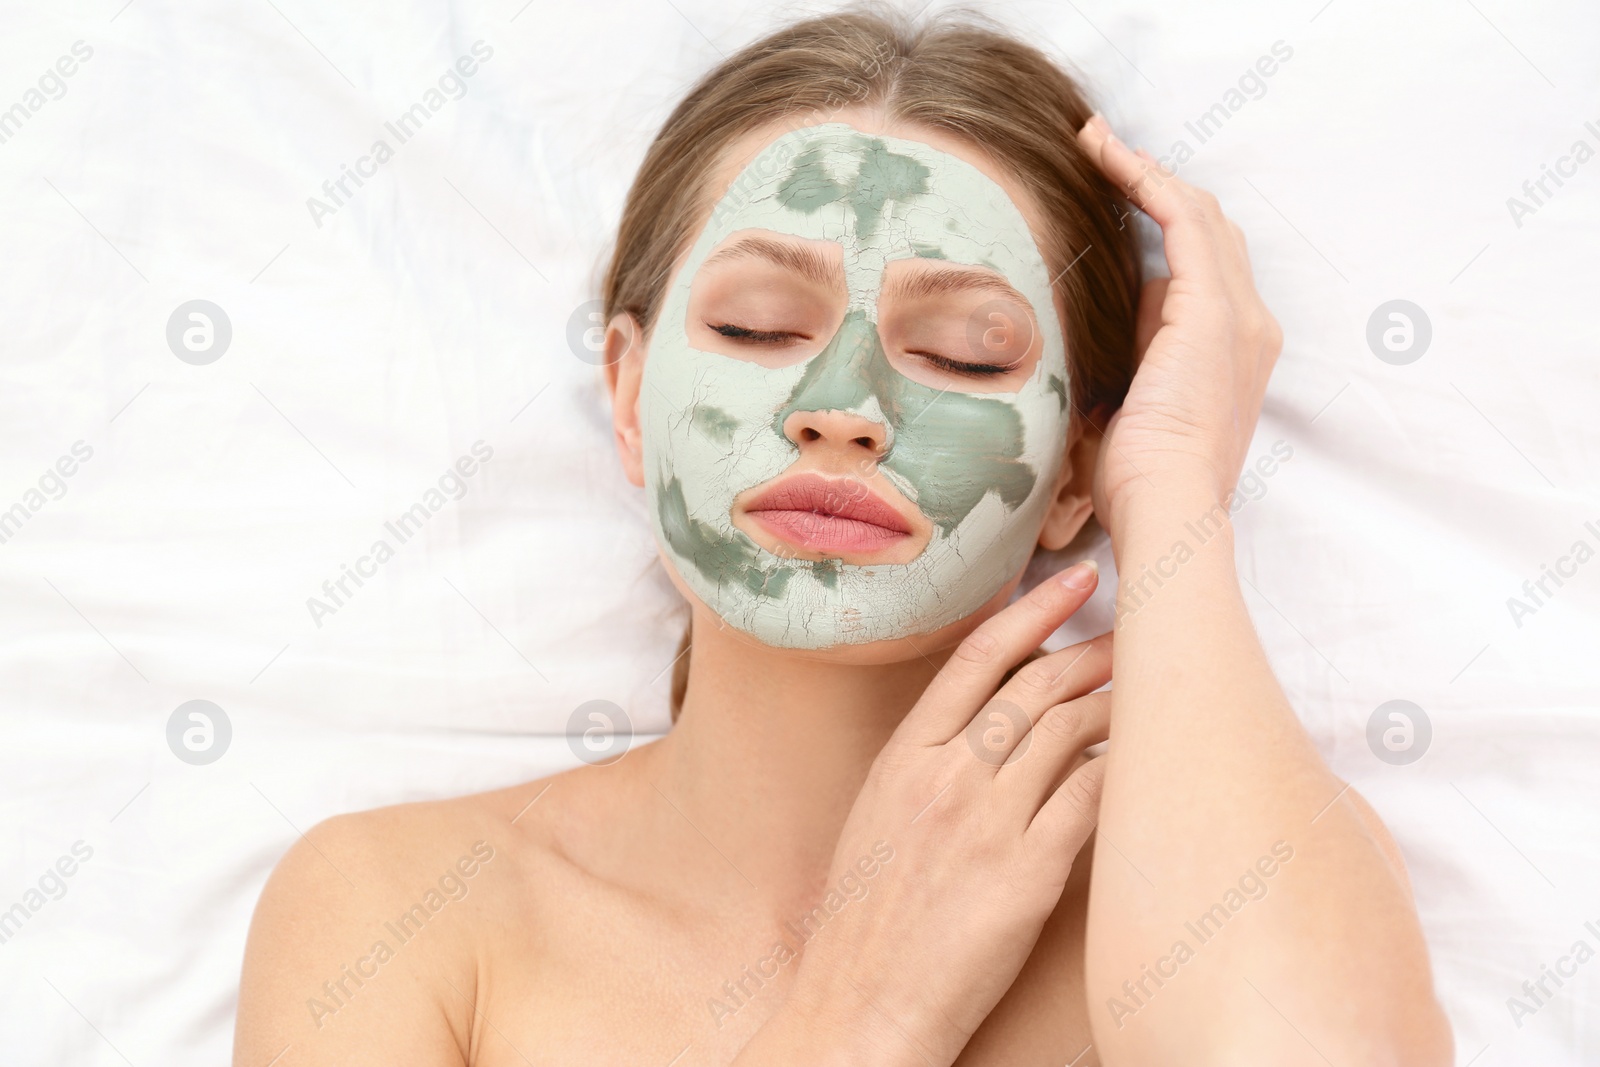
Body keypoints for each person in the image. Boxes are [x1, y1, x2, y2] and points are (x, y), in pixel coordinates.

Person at [234, 8, 1452, 1064]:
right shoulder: (398, 913)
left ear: (1075, 458)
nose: (844, 407)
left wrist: (1176, 486)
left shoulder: (1255, 873)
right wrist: (865, 1015)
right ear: (627, 395)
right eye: (761, 326)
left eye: (965, 352)